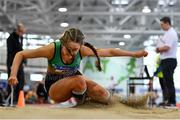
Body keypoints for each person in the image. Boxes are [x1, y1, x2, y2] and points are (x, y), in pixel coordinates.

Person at [8, 28, 148, 105]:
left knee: (102, 93)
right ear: (63, 43)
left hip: (75, 79)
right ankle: (83, 101)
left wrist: (134, 54)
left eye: (76, 49)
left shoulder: (82, 50)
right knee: (80, 80)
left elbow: (110, 51)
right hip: (55, 84)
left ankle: (121, 103)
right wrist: (13, 74)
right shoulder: (52, 49)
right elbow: (20, 54)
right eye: (69, 49)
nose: (72, 54)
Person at [156, 16, 178, 107]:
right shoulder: (167, 33)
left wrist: (158, 49)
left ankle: (172, 102)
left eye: (162, 24)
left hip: (169, 60)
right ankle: (168, 100)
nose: (161, 26)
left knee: (169, 81)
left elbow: (167, 47)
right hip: (166, 60)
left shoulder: (171, 33)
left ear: (167, 23)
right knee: (166, 82)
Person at [6, 23, 26, 104]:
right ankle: (11, 99)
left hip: (20, 63)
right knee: (12, 80)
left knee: (21, 80)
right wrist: (11, 65)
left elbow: (21, 50)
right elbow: (10, 52)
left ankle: (19, 99)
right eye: (21, 31)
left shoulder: (21, 37)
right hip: (12, 62)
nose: (22, 33)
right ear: (17, 30)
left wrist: (24, 61)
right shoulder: (10, 38)